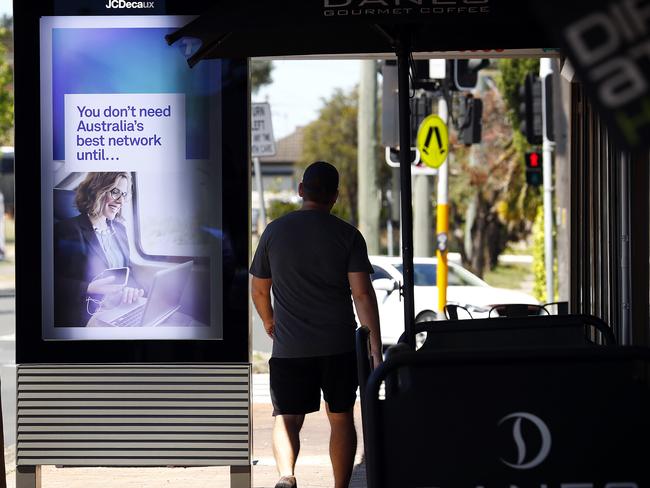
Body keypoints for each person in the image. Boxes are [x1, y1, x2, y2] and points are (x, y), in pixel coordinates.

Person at [250, 161, 382, 488]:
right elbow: (362, 294)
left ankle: (286, 474)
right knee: (340, 417)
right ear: (334, 197)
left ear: (300, 191)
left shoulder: (274, 232)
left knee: (286, 418)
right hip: (337, 346)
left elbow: (258, 287)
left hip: (290, 346)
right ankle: (339, 486)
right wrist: (374, 347)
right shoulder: (348, 236)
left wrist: (269, 320)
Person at [54, 171, 144, 327]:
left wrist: (132, 290)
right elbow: (50, 282)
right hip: (86, 312)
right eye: (115, 192)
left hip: (118, 307)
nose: (121, 201)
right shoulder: (66, 230)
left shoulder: (120, 229)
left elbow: (129, 272)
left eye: (124, 194)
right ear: (97, 190)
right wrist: (88, 288)